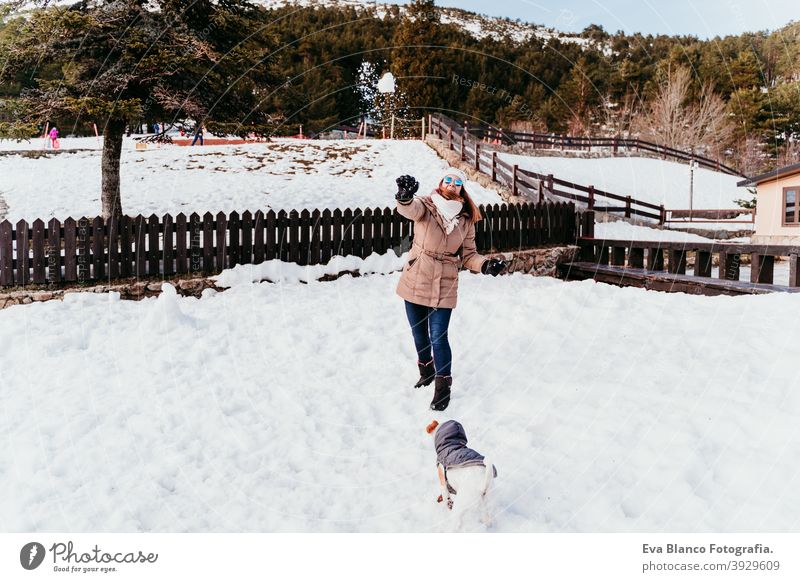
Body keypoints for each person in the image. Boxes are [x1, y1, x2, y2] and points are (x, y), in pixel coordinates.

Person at [395, 168, 506, 411]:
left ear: (461, 188)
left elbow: (469, 255)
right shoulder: (425, 204)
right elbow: (409, 209)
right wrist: (404, 196)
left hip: (445, 282)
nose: (452, 184)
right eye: (448, 180)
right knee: (419, 334)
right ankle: (426, 370)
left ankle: (442, 388)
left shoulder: (466, 219)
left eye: (457, 182)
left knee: (438, 336)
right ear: (441, 182)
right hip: (417, 275)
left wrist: (485, 265)